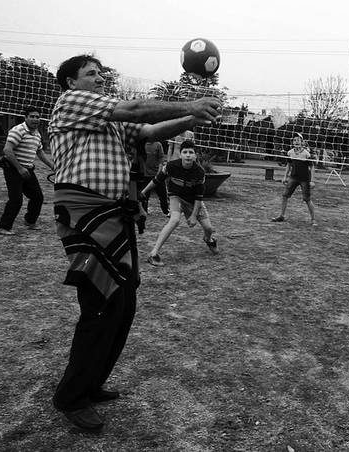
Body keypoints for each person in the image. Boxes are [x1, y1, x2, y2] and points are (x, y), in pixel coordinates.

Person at [48, 54, 221, 431]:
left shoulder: (106, 123)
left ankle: (90, 384)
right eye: (90, 74)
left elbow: (147, 131)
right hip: (85, 215)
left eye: (100, 73)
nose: (99, 78)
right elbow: (139, 109)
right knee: (100, 305)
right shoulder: (72, 104)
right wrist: (190, 104)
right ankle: (70, 397)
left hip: (115, 215)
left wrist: (194, 118)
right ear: (69, 83)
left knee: (123, 303)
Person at [142, 139, 219, 266]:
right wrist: (143, 192)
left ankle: (209, 239)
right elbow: (156, 180)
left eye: (191, 152)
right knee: (174, 220)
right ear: (181, 154)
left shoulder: (199, 172)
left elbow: (199, 197)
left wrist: (194, 216)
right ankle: (153, 254)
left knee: (209, 228)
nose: (188, 155)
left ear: (195, 155)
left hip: (193, 201)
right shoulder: (171, 166)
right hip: (176, 197)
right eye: (185, 152)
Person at [0, 107, 54, 235]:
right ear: (25, 117)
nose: (35, 119)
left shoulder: (37, 133)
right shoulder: (18, 130)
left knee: (37, 197)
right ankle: (3, 227)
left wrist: (51, 165)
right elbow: (7, 150)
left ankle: (30, 221)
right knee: (16, 200)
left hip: (27, 169)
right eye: (32, 116)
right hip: (12, 168)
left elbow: (39, 151)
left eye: (37, 117)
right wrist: (19, 168)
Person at [271, 133, 317, 226]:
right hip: (293, 177)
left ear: (302, 142)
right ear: (292, 142)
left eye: (298, 140)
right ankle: (282, 216)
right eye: (294, 140)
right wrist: (285, 176)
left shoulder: (306, 154)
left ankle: (313, 220)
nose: (296, 142)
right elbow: (288, 165)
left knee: (307, 199)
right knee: (285, 196)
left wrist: (312, 180)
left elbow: (312, 167)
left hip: (305, 179)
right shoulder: (290, 152)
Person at [139, 139, 169, 218]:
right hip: (145, 175)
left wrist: (159, 172)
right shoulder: (142, 144)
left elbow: (161, 158)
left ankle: (166, 211)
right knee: (144, 194)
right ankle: (144, 211)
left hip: (157, 175)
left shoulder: (158, 144)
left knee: (163, 194)